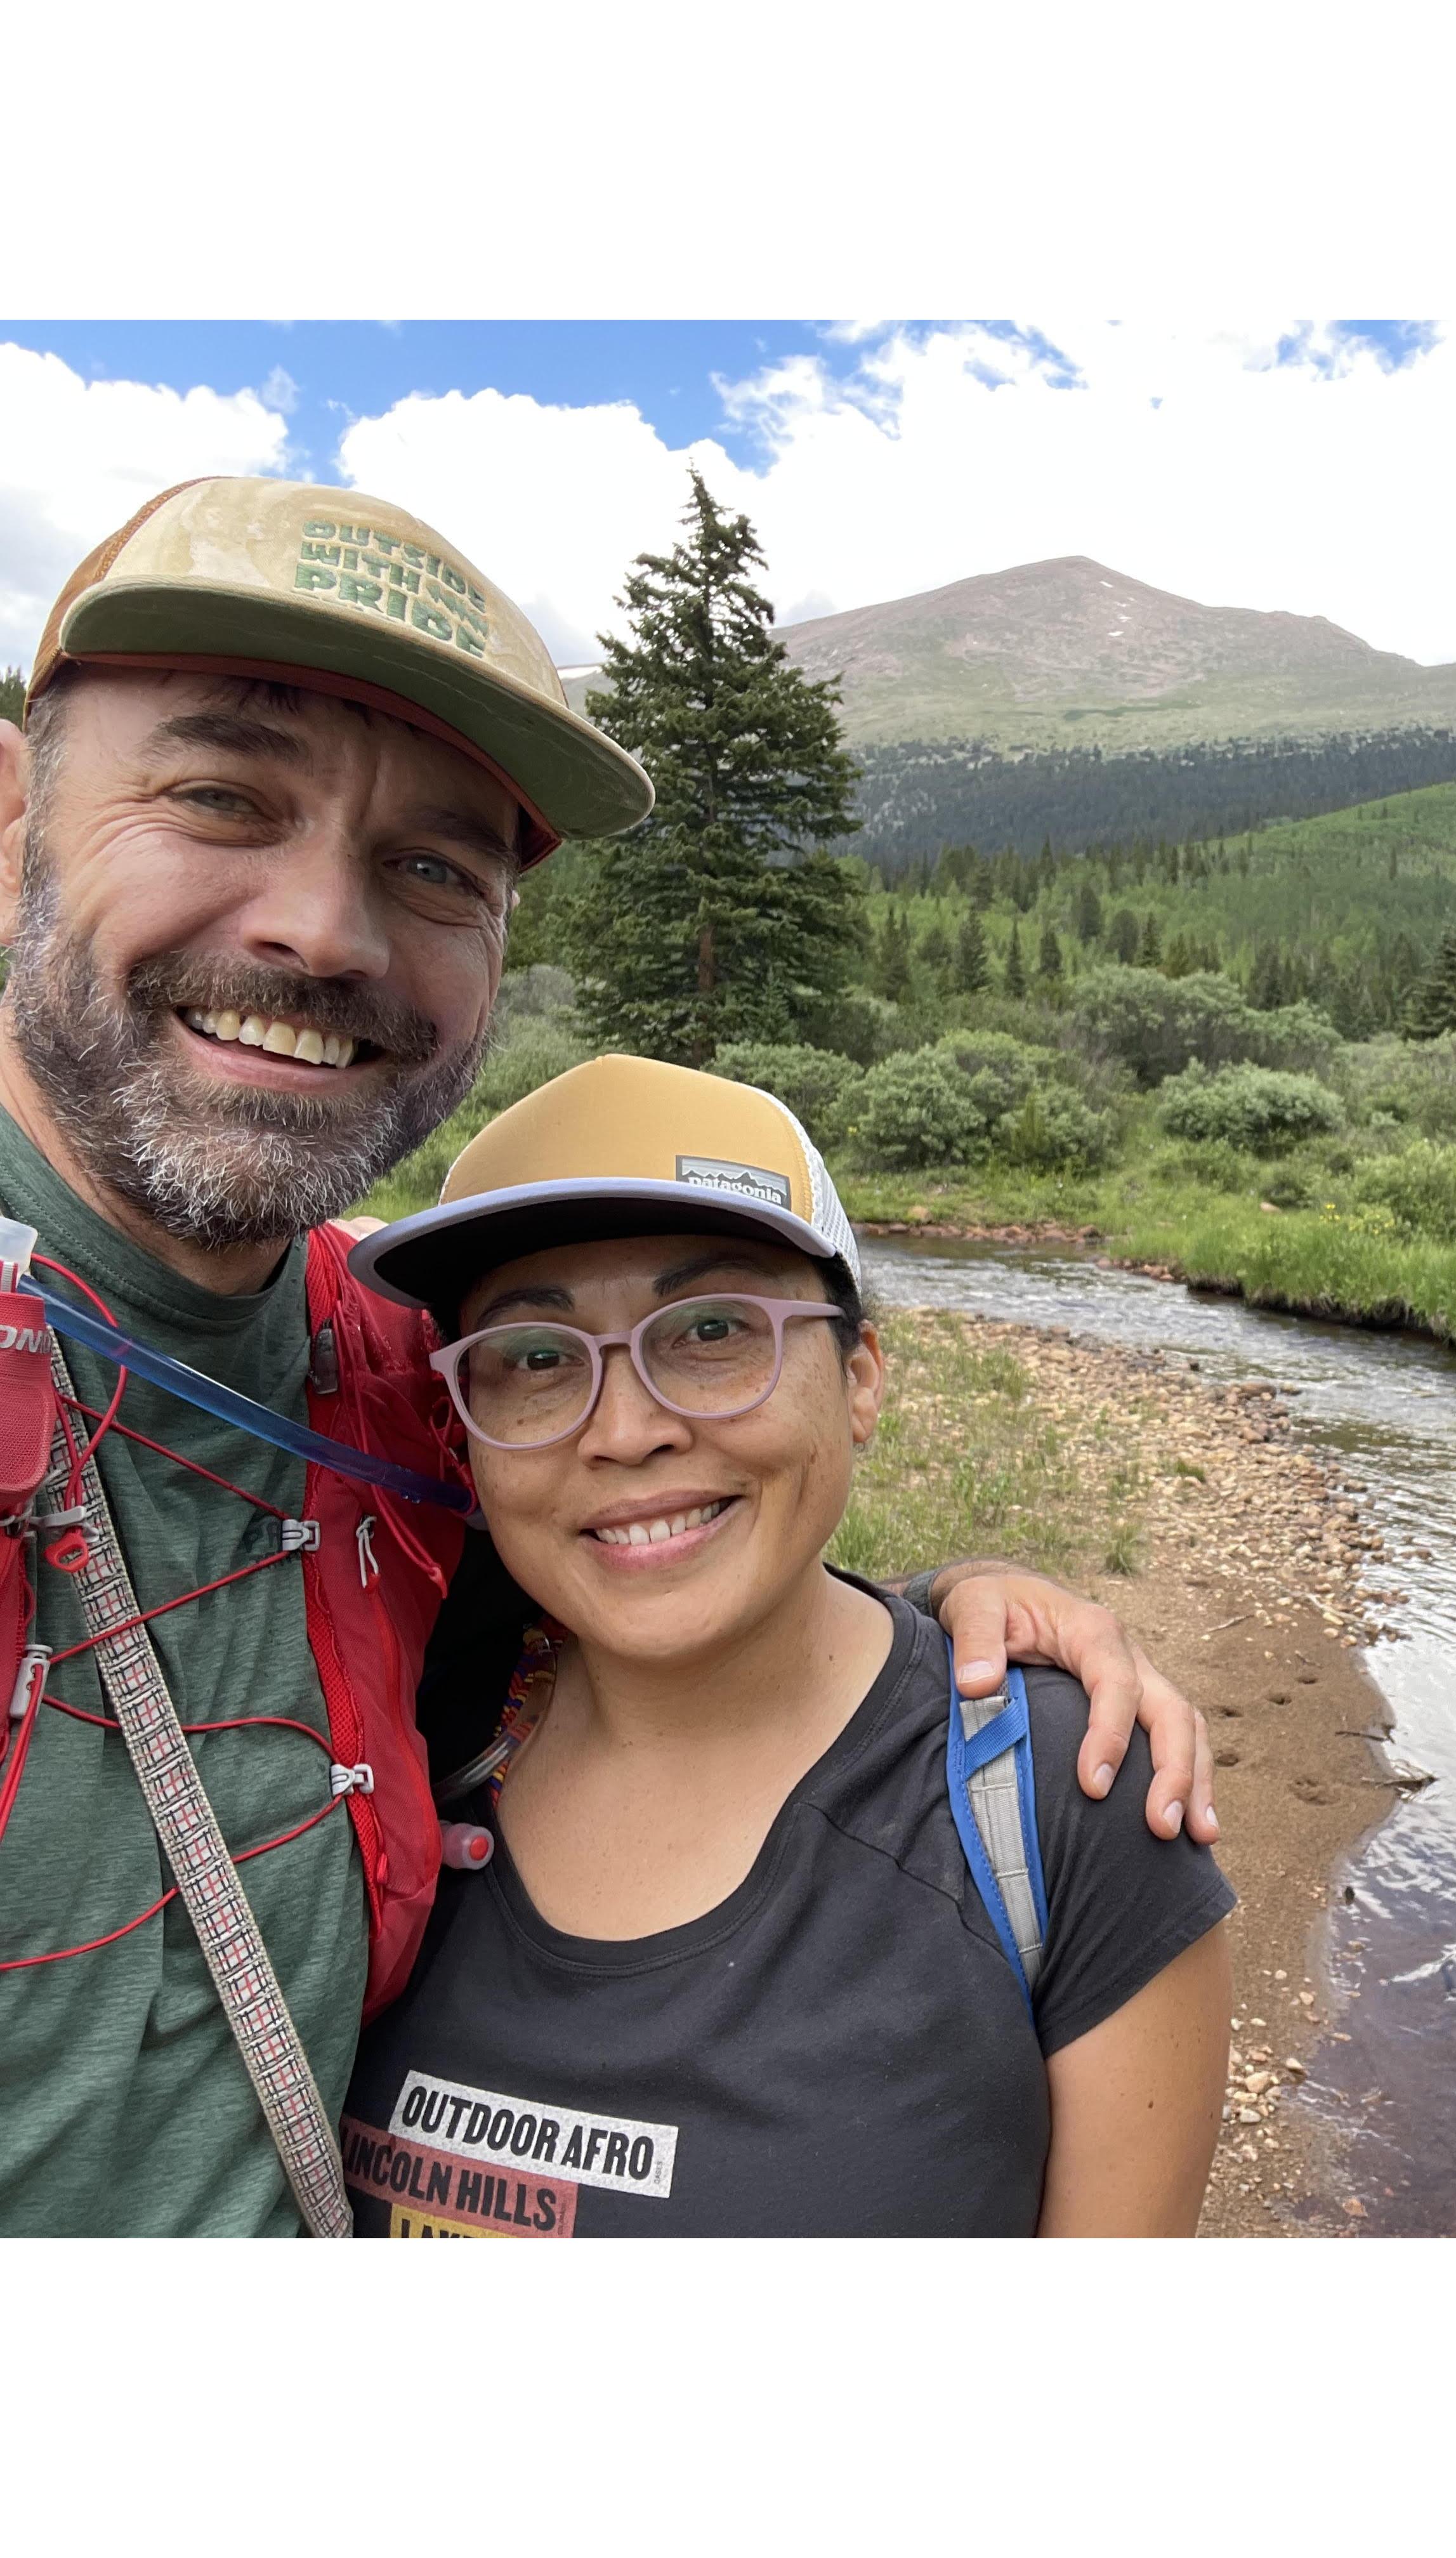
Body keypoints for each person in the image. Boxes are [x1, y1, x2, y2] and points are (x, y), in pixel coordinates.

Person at [0, 476, 1217, 2237]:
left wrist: (952, 1628)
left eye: (435, 864)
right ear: (17, 812)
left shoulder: (393, 1378)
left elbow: (669, 1510)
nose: (325, 932)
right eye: (216, 796)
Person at [340, 1054, 1233, 2234]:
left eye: (713, 1332)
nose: (626, 1431)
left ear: (859, 1380)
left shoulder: (1067, 1803)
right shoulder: (394, 1729)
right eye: (538, 1359)